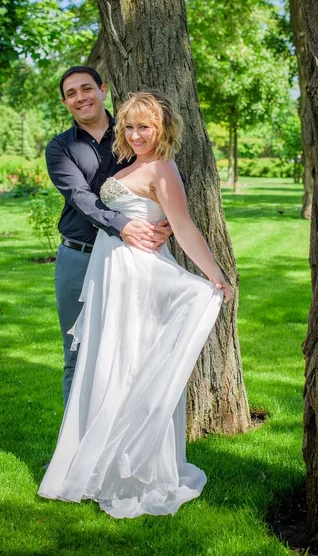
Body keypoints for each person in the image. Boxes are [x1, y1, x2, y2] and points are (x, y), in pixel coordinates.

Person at [38, 91, 232, 519]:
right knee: (104, 364)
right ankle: (95, 462)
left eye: (144, 126)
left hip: (137, 275)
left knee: (127, 365)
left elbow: (182, 227)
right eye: (129, 126)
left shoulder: (163, 169)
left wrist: (215, 275)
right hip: (111, 275)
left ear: (162, 129)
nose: (135, 134)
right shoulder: (127, 164)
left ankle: (128, 470)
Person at [46, 66, 171, 406]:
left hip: (132, 261)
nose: (80, 97)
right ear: (65, 102)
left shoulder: (135, 133)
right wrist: (122, 224)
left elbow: (167, 173)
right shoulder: (60, 148)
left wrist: (169, 220)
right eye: (71, 94)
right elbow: (80, 197)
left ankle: (121, 449)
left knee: (131, 353)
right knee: (78, 353)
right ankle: (72, 454)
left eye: (86, 88)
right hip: (79, 258)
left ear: (103, 90)